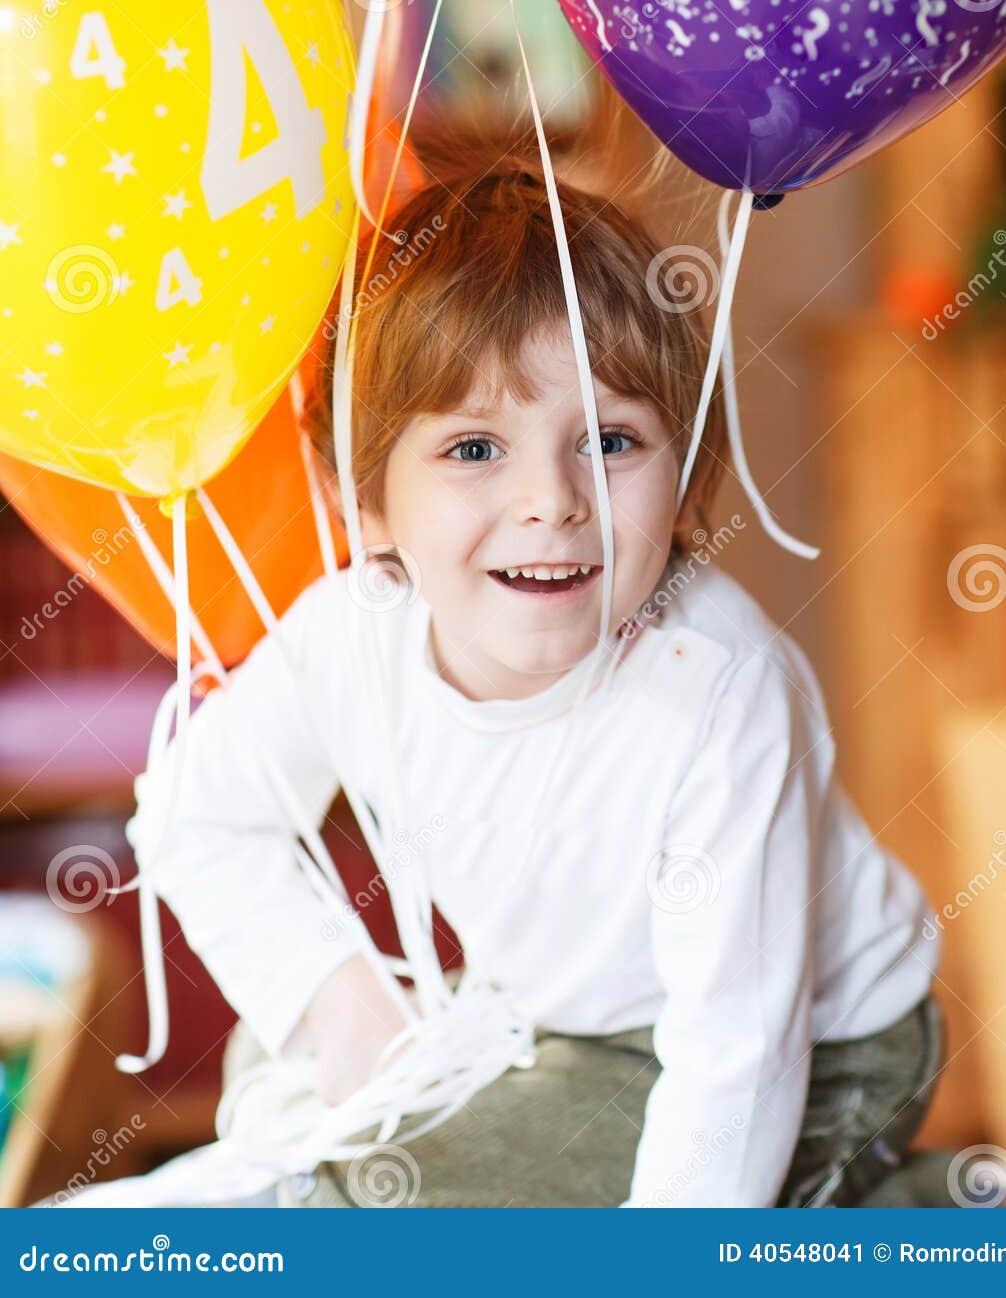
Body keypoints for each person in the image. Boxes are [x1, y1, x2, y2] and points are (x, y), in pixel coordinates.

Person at [107, 121, 945, 1207]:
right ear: (362, 502)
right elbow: (189, 811)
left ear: (685, 482)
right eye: (471, 449)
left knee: (414, 1190)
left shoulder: (716, 688)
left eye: (608, 441)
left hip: (817, 1041)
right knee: (293, 1076)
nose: (551, 499)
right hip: (569, 1012)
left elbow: (734, 1051)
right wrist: (335, 991)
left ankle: (881, 1214)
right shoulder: (348, 637)